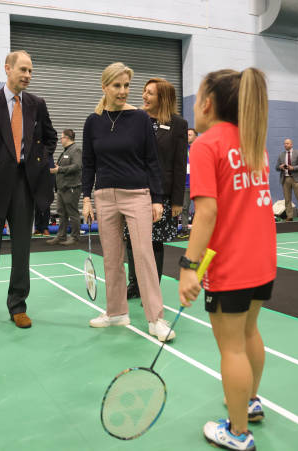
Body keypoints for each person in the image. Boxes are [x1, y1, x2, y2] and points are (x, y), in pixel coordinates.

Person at [178, 68, 276, 450]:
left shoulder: (205, 145)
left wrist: (188, 267)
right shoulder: (255, 142)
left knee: (231, 347)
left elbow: (206, 214)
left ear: (207, 103)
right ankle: (249, 402)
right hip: (263, 261)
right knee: (250, 332)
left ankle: (237, 433)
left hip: (231, 266)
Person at [82, 62, 175, 342]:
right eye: (117, 86)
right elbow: (89, 164)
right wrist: (86, 198)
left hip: (137, 195)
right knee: (111, 258)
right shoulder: (93, 122)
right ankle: (116, 312)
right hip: (104, 197)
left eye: (126, 86)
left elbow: (152, 162)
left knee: (144, 255)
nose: (123, 91)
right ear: (104, 87)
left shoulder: (140, 119)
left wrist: (157, 199)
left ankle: (155, 318)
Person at [0, 50, 57, 329]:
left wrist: (38, 161)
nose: (28, 75)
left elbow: (50, 137)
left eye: (31, 71)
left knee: (21, 249)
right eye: (23, 70)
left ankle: (18, 305)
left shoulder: (36, 104)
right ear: (7, 69)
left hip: (24, 184)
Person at [126, 77, 188, 299]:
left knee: (154, 241)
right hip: (133, 191)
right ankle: (134, 285)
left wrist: (178, 201)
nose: (144, 96)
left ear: (162, 98)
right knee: (132, 238)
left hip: (161, 194)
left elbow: (180, 165)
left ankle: (151, 288)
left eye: (150, 93)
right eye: (144, 91)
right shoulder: (134, 119)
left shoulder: (178, 124)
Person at [47, 128, 82, 245]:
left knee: (73, 212)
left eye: (61, 138)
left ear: (67, 138)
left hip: (71, 187)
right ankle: (61, 236)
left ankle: (75, 237)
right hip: (62, 187)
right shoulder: (66, 151)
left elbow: (77, 166)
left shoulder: (75, 150)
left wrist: (59, 169)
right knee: (61, 212)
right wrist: (57, 167)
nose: (60, 140)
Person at [276, 138, 298, 221]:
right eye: (284, 143)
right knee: (287, 199)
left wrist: (293, 168)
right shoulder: (281, 154)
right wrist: (280, 167)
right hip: (285, 178)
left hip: (295, 179)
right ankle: (289, 216)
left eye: (287, 143)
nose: (285, 145)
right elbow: (276, 167)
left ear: (291, 144)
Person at [177, 128, 198, 238]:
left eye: (190, 135)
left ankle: (200, 231)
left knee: (201, 209)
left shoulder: (200, 149)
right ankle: (184, 229)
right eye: (186, 134)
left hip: (198, 184)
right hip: (185, 184)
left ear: (196, 137)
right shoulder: (182, 150)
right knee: (184, 208)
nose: (187, 136)